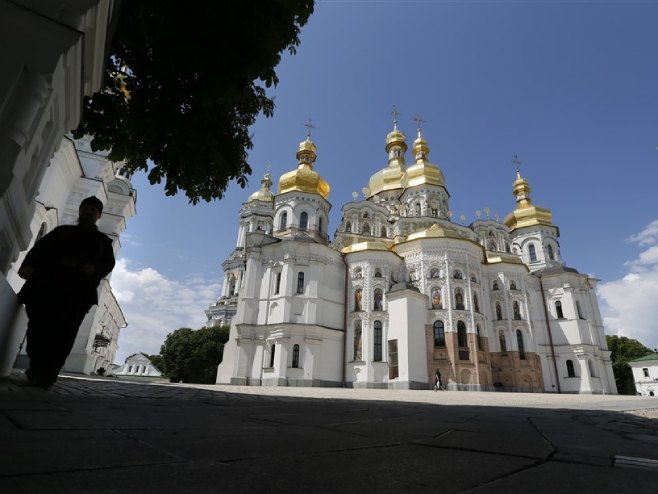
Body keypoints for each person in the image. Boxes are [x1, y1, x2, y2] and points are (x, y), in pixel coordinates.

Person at [17, 196, 116, 388]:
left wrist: (94, 268)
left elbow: (108, 264)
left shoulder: (103, 241)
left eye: (93, 210)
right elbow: (39, 250)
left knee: (64, 335)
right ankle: (37, 367)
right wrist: (28, 265)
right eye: (85, 208)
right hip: (45, 289)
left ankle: (48, 374)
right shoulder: (60, 232)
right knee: (38, 330)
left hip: (76, 296)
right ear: (80, 211)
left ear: (99, 216)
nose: (88, 212)